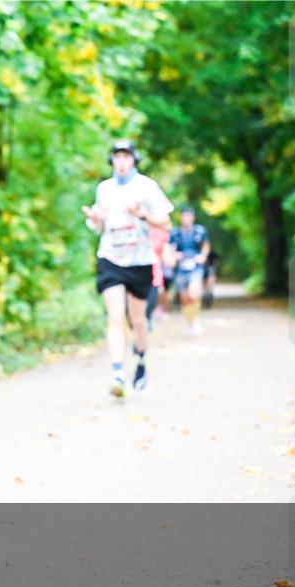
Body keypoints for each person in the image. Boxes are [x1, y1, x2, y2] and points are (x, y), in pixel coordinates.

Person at [83, 140, 173, 397]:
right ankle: (117, 373)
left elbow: (166, 223)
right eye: (117, 157)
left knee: (138, 320)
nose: (121, 162)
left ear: (134, 160)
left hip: (140, 261)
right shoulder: (104, 189)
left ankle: (141, 360)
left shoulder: (147, 186)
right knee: (115, 316)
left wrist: (142, 214)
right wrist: (96, 220)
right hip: (111, 258)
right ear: (112, 160)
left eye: (126, 156)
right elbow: (100, 227)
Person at [169, 206, 211, 335]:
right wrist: (174, 255)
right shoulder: (175, 233)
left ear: (193, 218)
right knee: (184, 298)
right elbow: (170, 248)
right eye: (184, 216)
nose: (186, 218)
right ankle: (190, 322)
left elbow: (206, 245)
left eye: (188, 216)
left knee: (194, 294)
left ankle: (196, 320)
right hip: (181, 268)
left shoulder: (200, 231)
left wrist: (202, 256)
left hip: (195, 267)